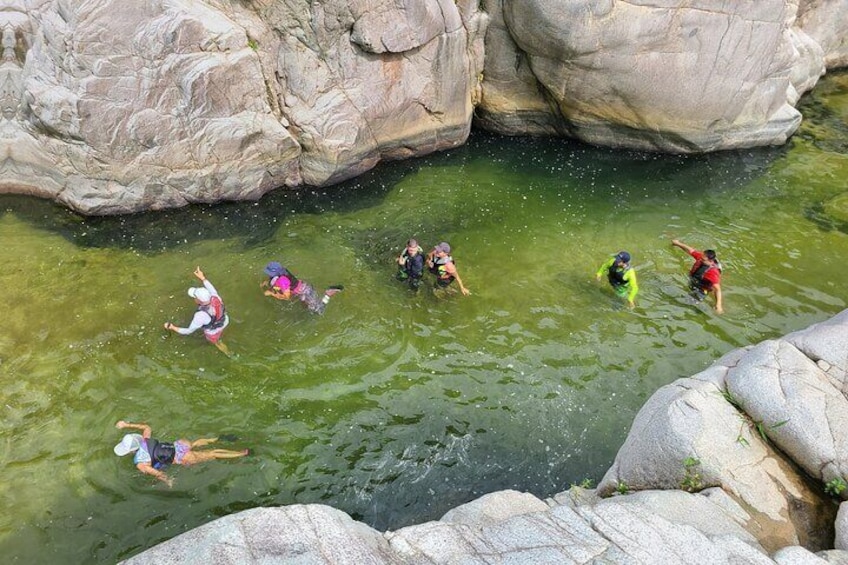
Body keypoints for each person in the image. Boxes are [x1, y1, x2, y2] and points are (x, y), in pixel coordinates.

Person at [114, 420, 248, 487]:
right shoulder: (146, 438)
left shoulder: (141, 464)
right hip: (180, 445)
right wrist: (126, 424)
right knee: (195, 444)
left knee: (213, 454)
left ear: (131, 450)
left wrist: (168, 481)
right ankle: (216, 439)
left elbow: (159, 473)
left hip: (182, 457)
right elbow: (146, 427)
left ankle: (241, 454)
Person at [164, 266, 230, 355]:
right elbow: (211, 288)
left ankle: (228, 353)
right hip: (225, 320)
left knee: (216, 342)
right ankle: (223, 333)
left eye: (194, 297)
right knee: (221, 329)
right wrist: (202, 278)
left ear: (199, 300)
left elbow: (188, 331)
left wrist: (172, 327)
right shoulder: (215, 297)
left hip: (213, 331)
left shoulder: (200, 315)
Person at [261, 261, 343, 314]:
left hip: (305, 292)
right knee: (306, 308)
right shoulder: (281, 272)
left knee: (319, 311)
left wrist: (272, 293)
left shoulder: (283, 280)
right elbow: (275, 281)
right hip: (301, 289)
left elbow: (287, 297)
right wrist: (267, 283)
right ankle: (307, 302)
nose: (268, 274)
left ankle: (328, 293)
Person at [671, 239, 724, 314]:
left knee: (687, 304)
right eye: (701, 257)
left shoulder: (712, 272)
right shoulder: (701, 258)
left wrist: (719, 305)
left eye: (703, 259)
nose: (700, 260)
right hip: (695, 279)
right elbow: (690, 250)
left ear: (710, 261)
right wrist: (678, 243)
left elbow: (718, 289)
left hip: (702, 288)